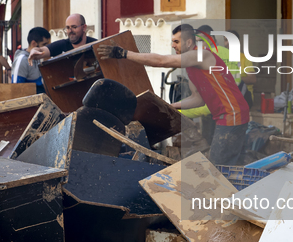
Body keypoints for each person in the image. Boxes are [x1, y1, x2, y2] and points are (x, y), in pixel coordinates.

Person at [97, 24, 250, 165]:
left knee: (219, 166)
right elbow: (198, 100)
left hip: (232, 113)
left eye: (176, 41)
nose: (172, 45)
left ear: (189, 43)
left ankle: (227, 194)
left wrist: (123, 53)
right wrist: (169, 106)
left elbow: (161, 61)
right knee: (228, 165)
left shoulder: (202, 55)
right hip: (226, 115)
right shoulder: (192, 67)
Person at [27, 13, 97, 63]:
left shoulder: (95, 45)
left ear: (84, 27)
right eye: (67, 28)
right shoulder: (61, 45)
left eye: (74, 27)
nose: (70, 31)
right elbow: (41, 50)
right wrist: (34, 51)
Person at [11, 27, 51, 94]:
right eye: (44, 44)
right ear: (34, 44)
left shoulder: (37, 57)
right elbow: (16, 88)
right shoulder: (22, 60)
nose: (46, 48)